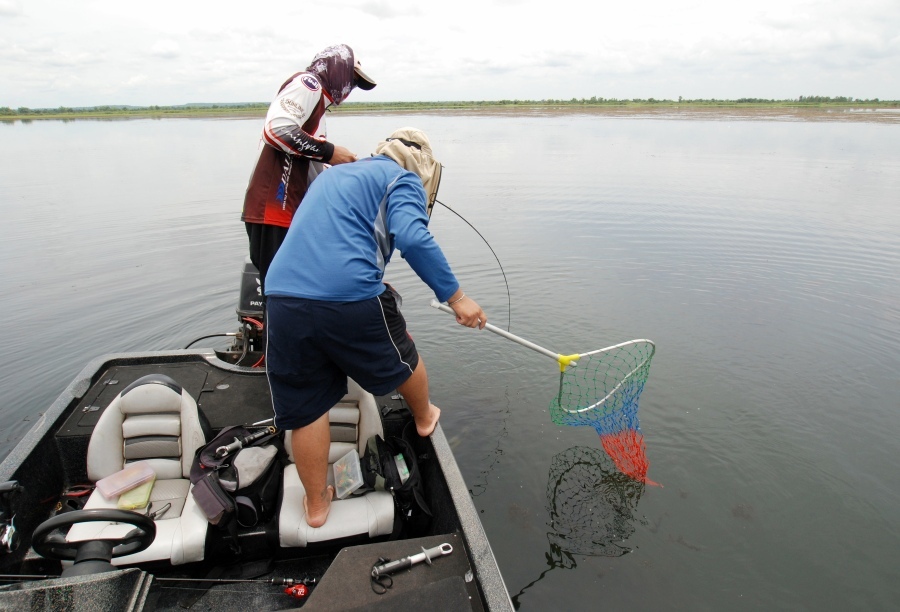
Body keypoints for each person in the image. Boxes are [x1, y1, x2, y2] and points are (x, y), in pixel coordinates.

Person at [264, 127, 487, 527]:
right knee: (404, 357)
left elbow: (329, 236)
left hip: (282, 297)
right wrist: (457, 298)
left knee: (305, 408)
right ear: (423, 169)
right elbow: (414, 239)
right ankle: (424, 417)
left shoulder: (332, 175)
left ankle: (316, 507)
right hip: (348, 296)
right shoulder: (401, 179)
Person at [241, 43, 377, 290]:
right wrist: (331, 152)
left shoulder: (319, 106)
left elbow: (310, 161)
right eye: (352, 79)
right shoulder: (308, 84)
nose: (350, 88)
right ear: (337, 68)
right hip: (273, 210)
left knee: (293, 290)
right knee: (281, 293)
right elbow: (277, 130)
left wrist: (343, 170)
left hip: (289, 212)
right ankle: (272, 330)